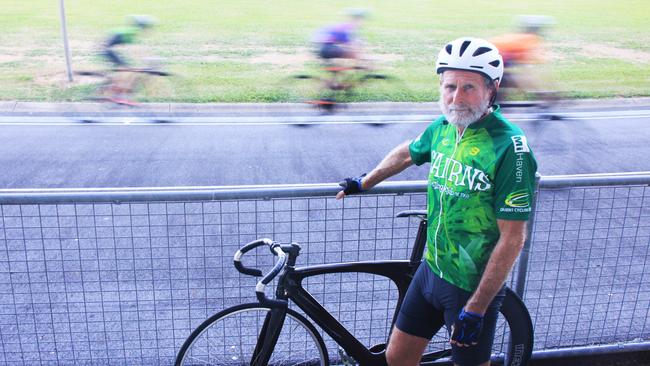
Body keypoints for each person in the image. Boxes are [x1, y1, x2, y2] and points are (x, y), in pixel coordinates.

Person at [337, 37, 538, 366]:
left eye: (469, 87)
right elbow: (407, 152)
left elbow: (513, 238)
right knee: (397, 360)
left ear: (493, 88)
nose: (457, 98)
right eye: (450, 87)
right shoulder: (444, 128)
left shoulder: (511, 149)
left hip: (471, 288)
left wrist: (476, 307)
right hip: (431, 272)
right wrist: (365, 181)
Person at [101, 15, 156, 104]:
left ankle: (112, 90)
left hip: (108, 49)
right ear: (142, 27)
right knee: (128, 71)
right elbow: (135, 50)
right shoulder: (133, 32)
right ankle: (117, 96)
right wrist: (147, 62)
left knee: (127, 70)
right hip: (108, 50)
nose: (148, 30)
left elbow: (136, 50)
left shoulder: (131, 31)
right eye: (147, 28)